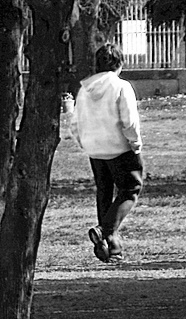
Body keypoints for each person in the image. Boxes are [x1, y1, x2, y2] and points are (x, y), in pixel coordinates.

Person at [71, 42, 143, 264]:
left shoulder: (85, 89)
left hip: (95, 148)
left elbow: (75, 122)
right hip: (119, 147)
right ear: (120, 63)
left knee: (104, 192)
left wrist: (84, 142)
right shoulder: (121, 86)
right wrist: (135, 143)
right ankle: (104, 231)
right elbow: (129, 120)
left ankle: (111, 247)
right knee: (131, 189)